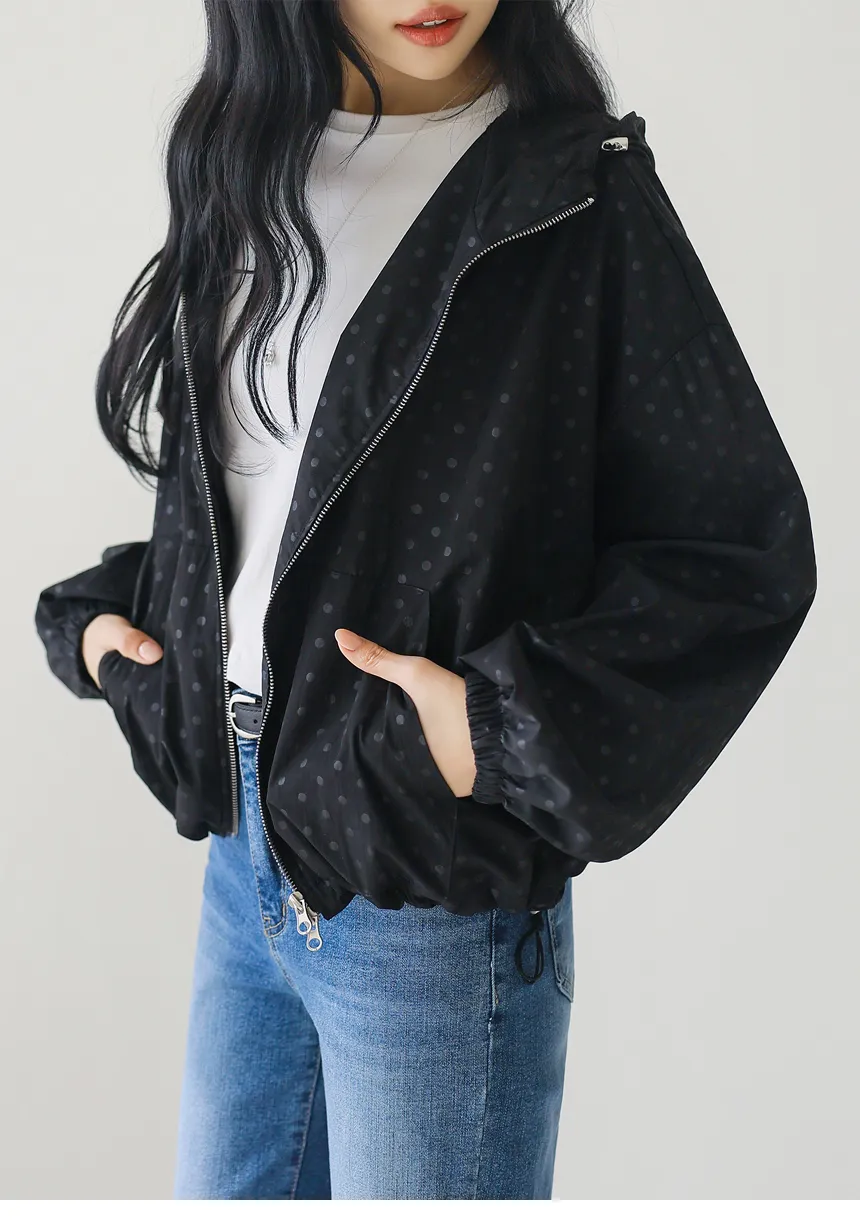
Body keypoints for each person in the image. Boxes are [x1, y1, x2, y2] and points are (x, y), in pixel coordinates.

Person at [33, 0, 817, 1202]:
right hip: (243, 863)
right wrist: (111, 632)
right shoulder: (244, 166)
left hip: (427, 890)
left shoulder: (575, 195)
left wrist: (486, 731)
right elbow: (262, 511)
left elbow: (734, 549)